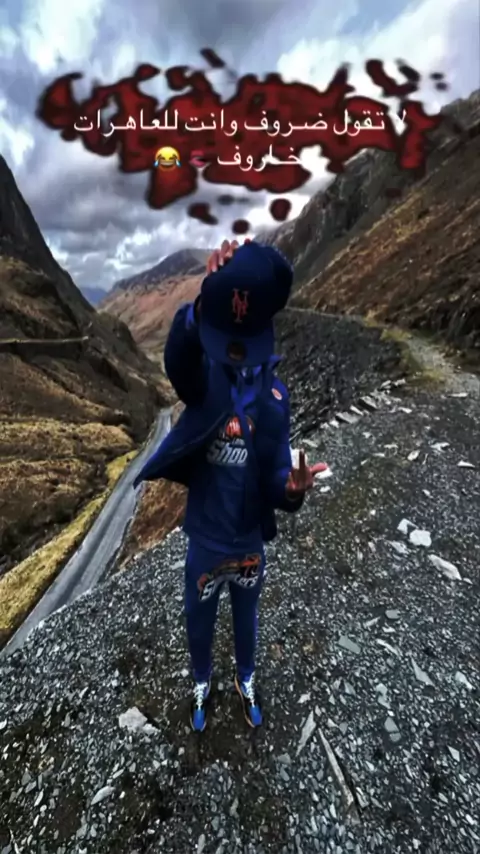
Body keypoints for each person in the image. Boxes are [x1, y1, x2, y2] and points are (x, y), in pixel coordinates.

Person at [133, 238, 326, 732]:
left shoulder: (276, 398)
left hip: (248, 543)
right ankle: (202, 681)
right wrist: (207, 302)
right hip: (205, 538)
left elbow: (276, 471)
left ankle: (246, 678)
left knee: (247, 617)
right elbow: (178, 361)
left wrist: (292, 490)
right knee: (198, 619)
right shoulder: (205, 378)